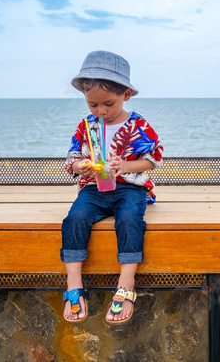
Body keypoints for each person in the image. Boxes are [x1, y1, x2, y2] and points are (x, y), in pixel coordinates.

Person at [61, 50, 163, 325]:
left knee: (129, 219)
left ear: (126, 95)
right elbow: (71, 159)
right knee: (74, 219)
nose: (101, 111)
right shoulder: (86, 127)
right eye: (93, 104)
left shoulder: (138, 125)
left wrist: (126, 167)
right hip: (94, 188)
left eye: (108, 103)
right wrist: (79, 166)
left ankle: (126, 282)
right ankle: (74, 282)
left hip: (130, 189)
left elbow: (153, 159)